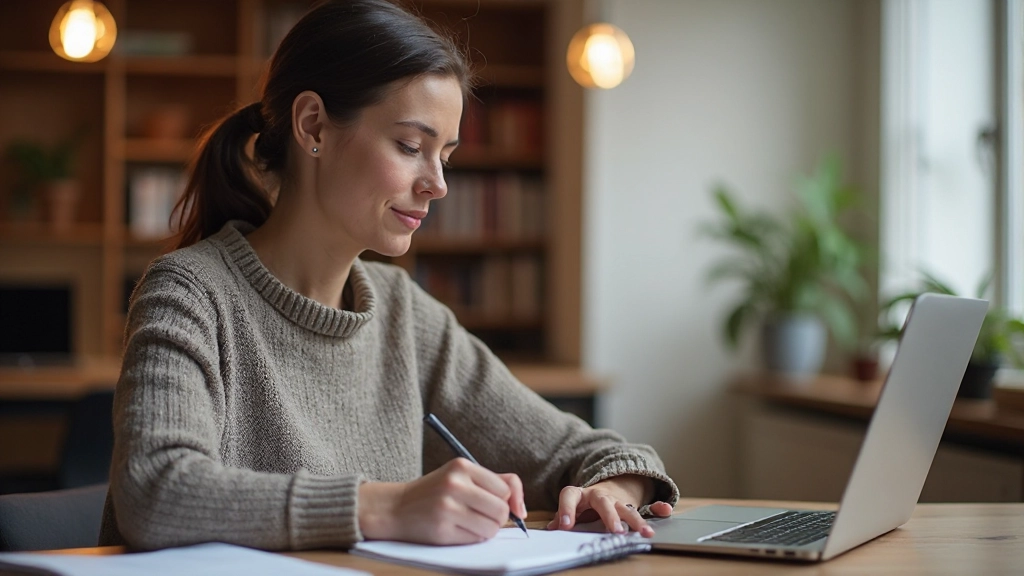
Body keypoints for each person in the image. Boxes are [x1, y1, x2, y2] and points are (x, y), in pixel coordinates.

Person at [100, 0, 679, 551]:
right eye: (409, 146)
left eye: (445, 156)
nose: (438, 185)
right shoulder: (189, 292)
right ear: (313, 126)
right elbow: (155, 491)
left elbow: (600, 453)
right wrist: (389, 507)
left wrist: (614, 490)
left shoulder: (405, 313)